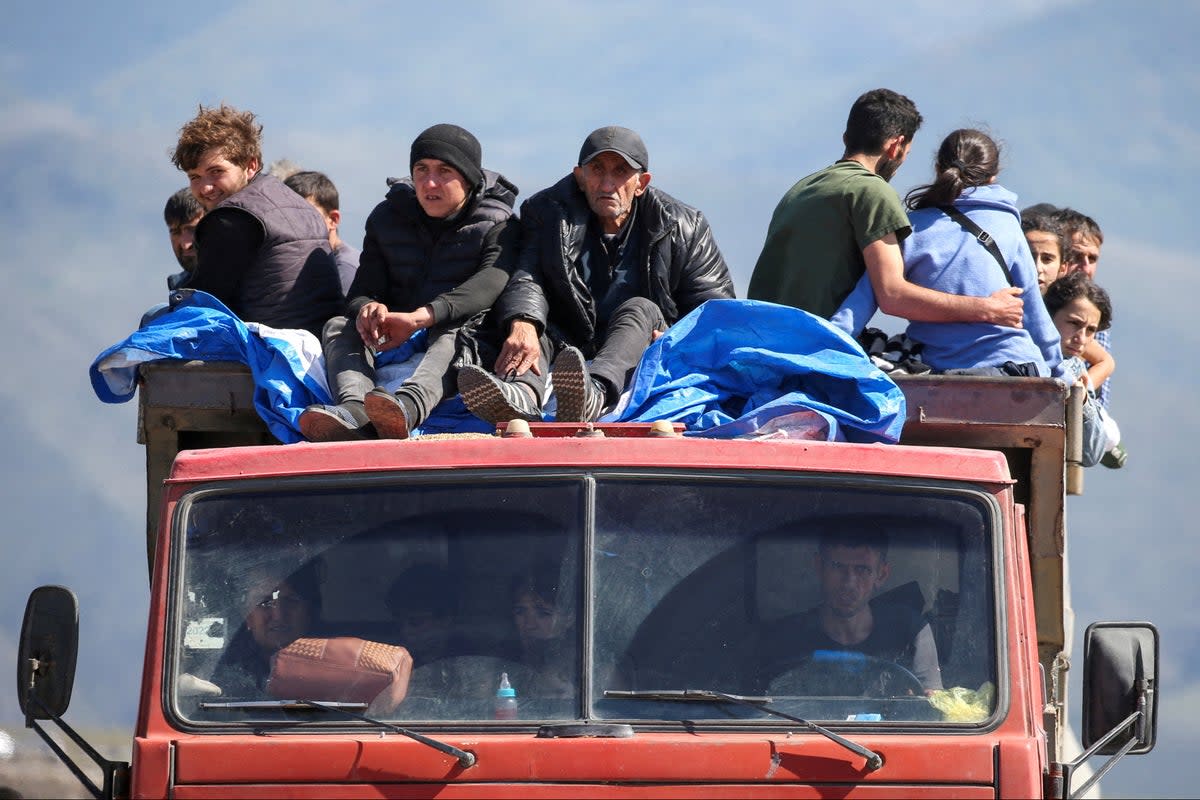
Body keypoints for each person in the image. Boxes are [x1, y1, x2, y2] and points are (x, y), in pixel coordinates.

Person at [457, 125, 735, 424]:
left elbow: (716, 311)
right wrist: (523, 321)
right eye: (597, 170)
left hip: (640, 341)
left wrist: (677, 340)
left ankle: (595, 394)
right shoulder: (546, 211)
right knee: (537, 323)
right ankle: (521, 396)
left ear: (641, 183)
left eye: (620, 172)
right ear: (580, 177)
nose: (607, 184)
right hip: (569, 344)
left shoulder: (684, 225)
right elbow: (527, 274)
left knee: (640, 307)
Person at [297, 124, 518, 441]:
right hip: (396, 332)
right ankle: (355, 411)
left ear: (469, 178)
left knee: (453, 332)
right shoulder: (387, 218)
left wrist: (421, 318)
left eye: (444, 171)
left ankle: (404, 410)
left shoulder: (499, 223)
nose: (430, 182)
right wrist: (368, 309)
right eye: (421, 170)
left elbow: (489, 284)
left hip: (461, 331)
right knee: (338, 325)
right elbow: (362, 290)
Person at [748, 89, 1024, 330]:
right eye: (907, 152)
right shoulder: (873, 191)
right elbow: (893, 295)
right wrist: (988, 308)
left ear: (846, 137)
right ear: (895, 146)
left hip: (764, 335)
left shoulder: (803, 188)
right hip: (809, 346)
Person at [832, 129, 1063, 378]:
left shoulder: (909, 228)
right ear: (993, 177)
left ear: (938, 167)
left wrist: (820, 351)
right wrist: (1062, 375)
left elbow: (857, 307)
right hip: (1011, 367)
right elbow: (1035, 315)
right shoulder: (1007, 226)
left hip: (935, 374)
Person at [170, 104, 344, 338]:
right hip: (320, 340)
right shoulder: (300, 204)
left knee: (157, 317)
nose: (205, 188)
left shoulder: (231, 218)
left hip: (271, 344)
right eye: (195, 177)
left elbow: (204, 302)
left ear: (250, 165)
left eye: (216, 172)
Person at [757, 530, 943, 695]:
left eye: (862, 569)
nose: (849, 583)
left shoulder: (910, 632)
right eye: (838, 567)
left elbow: (931, 705)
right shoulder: (784, 639)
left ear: (882, 575)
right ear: (819, 567)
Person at [1043, 271, 1125, 468]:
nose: (1081, 338)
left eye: (1090, 330)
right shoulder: (1020, 351)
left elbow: (1090, 453)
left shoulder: (1076, 369)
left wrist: (1083, 401)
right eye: (1073, 323)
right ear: (1047, 316)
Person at [210, 568, 319, 697]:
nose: (278, 615)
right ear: (247, 615)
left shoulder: (337, 667)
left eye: (291, 600)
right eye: (264, 602)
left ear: (310, 611)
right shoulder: (219, 674)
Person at [1056, 207, 1117, 415]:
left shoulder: (1095, 311)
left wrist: (1080, 397)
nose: (1085, 267)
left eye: (1092, 259)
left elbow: (1101, 403)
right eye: (1076, 256)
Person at [285, 170, 361, 296]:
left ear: (333, 219)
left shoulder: (346, 268)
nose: (294, 222)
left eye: (304, 215)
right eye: (286, 215)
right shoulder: (313, 264)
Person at [1020, 203, 1070, 295]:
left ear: (1062, 269)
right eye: (1030, 258)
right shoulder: (996, 303)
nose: (1037, 268)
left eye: (1047, 259)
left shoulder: (1073, 309)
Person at [163, 187, 203, 290]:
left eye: (193, 230)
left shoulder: (247, 281)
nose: (185, 245)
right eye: (176, 232)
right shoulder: (179, 290)